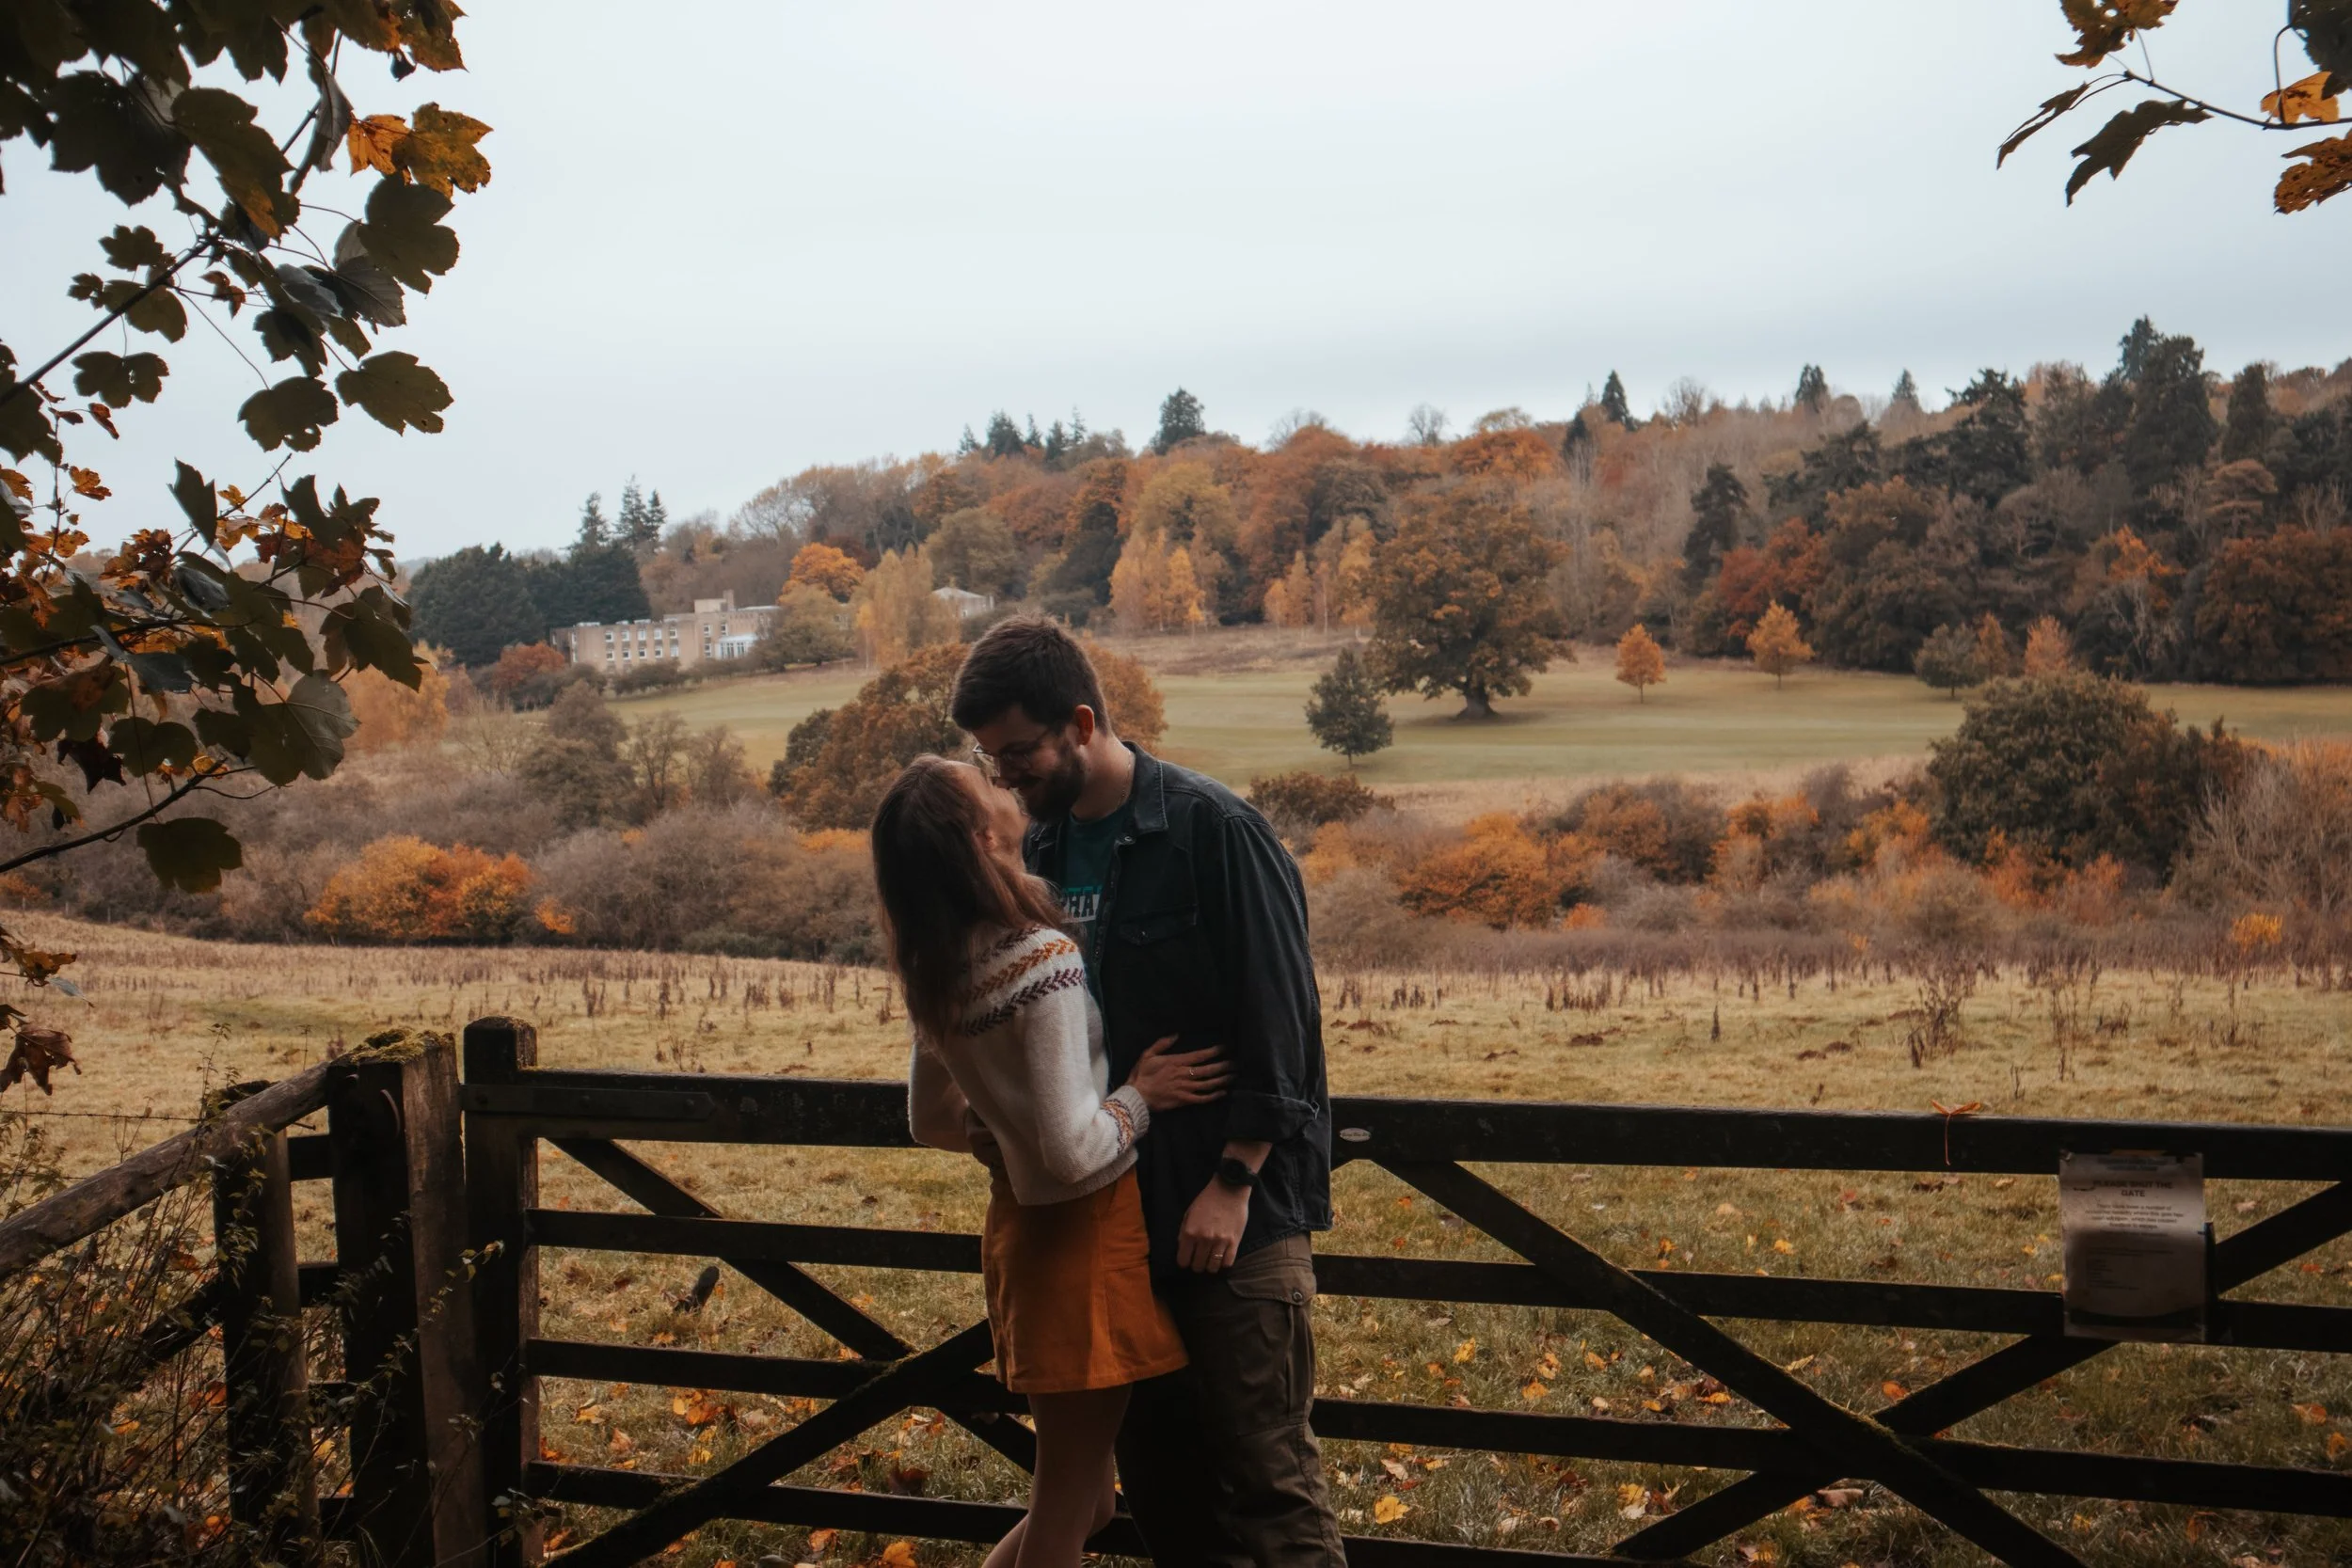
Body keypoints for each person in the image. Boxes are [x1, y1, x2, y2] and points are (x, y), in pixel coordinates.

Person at [951, 616, 1346, 1568]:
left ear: (1081, 722)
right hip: (1113, 1219)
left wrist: (1237, 1177)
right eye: (989, 762)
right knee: (1165, 1493)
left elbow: (1280, 1019)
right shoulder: (1033, 853)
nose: (1006, 779)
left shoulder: (1214, 830)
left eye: (1019, 754)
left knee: (1270, 1487)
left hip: (1231, 1219)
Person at [873, 753, 1233, 1568]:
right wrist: (1141, 1095)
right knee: (1069, 1507)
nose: (1006, 788)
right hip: (1084, 1240)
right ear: (981, 833)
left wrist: (1008, 1128)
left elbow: (930, 1120)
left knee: (1089, 1501)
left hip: (1019, 1235)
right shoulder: (1042, 959)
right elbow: (1074, 1153)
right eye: (990, 785)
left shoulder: (940, 967)